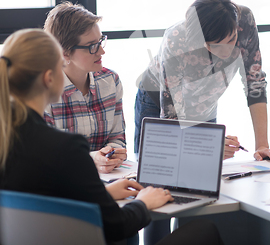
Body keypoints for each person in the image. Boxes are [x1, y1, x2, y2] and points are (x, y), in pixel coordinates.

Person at [0, 29, 224, 245]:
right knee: (205, 230)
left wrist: (104, 193)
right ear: (49, 78)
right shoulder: (65, 148)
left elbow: (47, 202)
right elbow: (117, 226)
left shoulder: (8, 141)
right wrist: (143, 203)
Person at [135, 0, 270, 163]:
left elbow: (255, 83)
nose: (225, 52)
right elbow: (171, 119)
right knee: (160, 166)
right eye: (215, 45)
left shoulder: (245, 20)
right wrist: (208, 143)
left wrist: (262, 146)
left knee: (205, 169)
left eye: (232, 39)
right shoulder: (176, 40)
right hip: (160, 101)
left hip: (205, 101)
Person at [44, 2, 126, 173]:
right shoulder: (43, 93)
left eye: (100, 41)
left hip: (107, 177)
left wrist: (111, 153)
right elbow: (44, 157)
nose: (101, 52)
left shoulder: (111, 80)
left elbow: (117, 137)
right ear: (64, 53)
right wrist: (91, 159)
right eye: (92, 46)